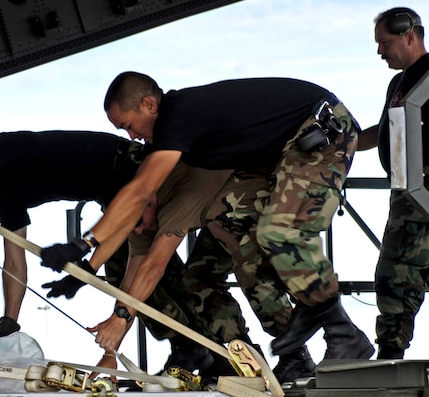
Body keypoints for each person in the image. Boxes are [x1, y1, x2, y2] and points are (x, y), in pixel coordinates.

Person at [40, 72, 374, 362]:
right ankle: (301, 324)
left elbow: (144, 212)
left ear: (148, 105)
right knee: (223, 219)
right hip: (275, 157)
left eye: (128, 125)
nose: (131, 136)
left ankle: (342, 331)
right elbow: (134, 265)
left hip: (320, 132)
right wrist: (85, 271)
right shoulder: (161, 165)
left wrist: (81, 245)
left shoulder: (178, 119)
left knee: (280, 231)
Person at [0, 130, 210, 352]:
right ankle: (188, 347)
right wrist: (9, 322)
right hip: (110, 195)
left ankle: (201, 346)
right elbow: (14, 264)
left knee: (151, 268)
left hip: (131, 168)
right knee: (121, 275)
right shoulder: (7, 202)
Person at [68, 161, 315, 384]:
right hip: (220, 217)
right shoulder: (140, 220)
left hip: (255, 200)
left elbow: (154, 267)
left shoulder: (176, 201)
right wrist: (111, 351)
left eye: (138, 223)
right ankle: (240, 359)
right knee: (199, 277)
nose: (140, 231)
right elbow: (131, 287)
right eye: (130, 227)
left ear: (150, 200)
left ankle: (295, 355)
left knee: (253, 272)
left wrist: (119, 319)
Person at [357, 7, 429, 359]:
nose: (380, 52)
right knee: (399, 275)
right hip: (406, 193)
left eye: (385, 42)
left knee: (395, 273)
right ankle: (391, 351)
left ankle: (390, 353)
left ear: (409, 36)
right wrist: (343, 143)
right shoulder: (398, 83)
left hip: (421, 193)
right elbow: (384, 129)